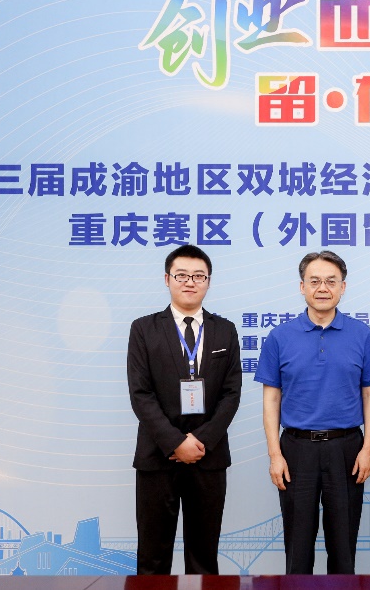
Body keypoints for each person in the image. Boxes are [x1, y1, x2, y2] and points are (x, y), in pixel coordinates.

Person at [255, 251, 370, 574]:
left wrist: (368, 449)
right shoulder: (279, 337)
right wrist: (275, 454)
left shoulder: (361, 334)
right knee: (298, 548)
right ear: (302, 287)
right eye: (314, 281)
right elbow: (271, 399)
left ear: (343, 287)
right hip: (296, 450)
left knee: (343, 547)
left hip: (347, 449)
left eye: (331, 281)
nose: (323, 288)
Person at [126, 244, 242, 574]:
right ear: (167, 279)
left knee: (204, 558)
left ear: (208, 281)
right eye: (182, 275)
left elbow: (231, 394)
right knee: (152, 557)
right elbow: (140, 394)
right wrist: (176, 443)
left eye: (198, 276)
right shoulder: (143, 329)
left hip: (209, 456)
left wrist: (200, 441)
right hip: (157, 456)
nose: (190, 282)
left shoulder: (225, 330)